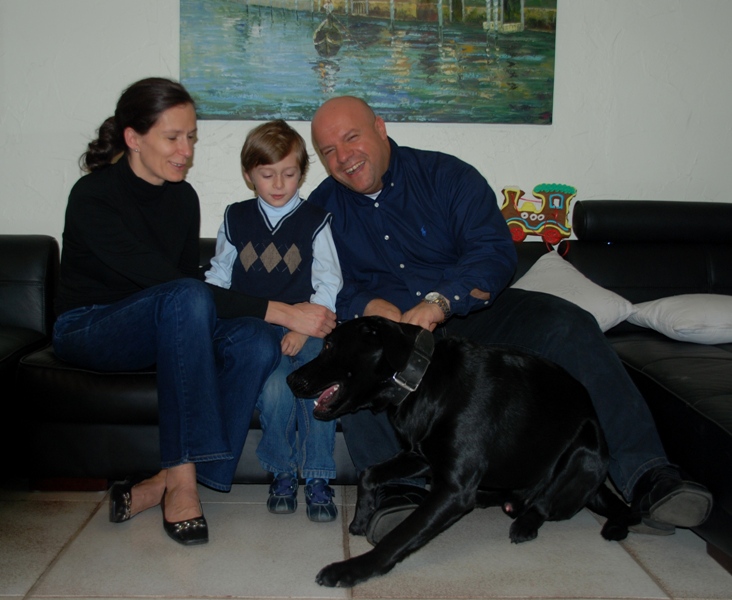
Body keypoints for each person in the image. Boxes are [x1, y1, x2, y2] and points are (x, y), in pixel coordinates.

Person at [307, 95, 713, 543]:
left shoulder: (446, 175)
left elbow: (493, 254)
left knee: (568, 323)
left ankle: (649, 477)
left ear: (380, 128)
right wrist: (366, 303)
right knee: (356, 363)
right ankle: (395, 492)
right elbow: (320, 281)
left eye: (352, 138)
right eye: (329, 151)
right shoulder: (321, 209)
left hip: (473, 313)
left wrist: (441, 301)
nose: (343, 157)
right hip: (394, 334)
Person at [53, 78, 336, 546]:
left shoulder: (182, 197)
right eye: (173, 137)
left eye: (191, 137)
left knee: (255, 340)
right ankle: (182, 482)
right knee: (191, 298)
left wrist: (269, 319)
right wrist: (286, 312)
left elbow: (193, 295)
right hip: (90, 326)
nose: (186, 151)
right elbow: (176, 288)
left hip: (165, 323)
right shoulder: (93, 196)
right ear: (133, 138)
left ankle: (163, 481)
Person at [205, 120, 342, 522]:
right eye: (267, 174)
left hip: (309, 327)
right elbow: (219, 277)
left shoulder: (316, 219)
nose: (279, 184)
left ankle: (318, 476)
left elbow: (329, 281)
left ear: (302, 172)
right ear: (249, 175)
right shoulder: (235, 218)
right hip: (256, 330)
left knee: (320, 389)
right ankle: (282, 471)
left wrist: (301, 328)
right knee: (277, 390)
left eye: (289, 173)